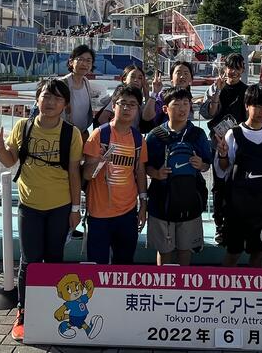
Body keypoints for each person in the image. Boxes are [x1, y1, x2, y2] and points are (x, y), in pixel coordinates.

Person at [0, 78, 83, 342]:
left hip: (60, 206)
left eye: (57, 98)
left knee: (54, 259)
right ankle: (24, 310)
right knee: (29, 261)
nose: (50, 102)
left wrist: (75, 208)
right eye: (46, 96)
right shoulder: (24, 127)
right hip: (29, 205)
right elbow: (10, 161)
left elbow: (74, 173)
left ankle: (53, 308)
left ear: (65, 105)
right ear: (37, 99)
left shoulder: (71, 133)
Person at [214, 84, 262, 268]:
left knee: (258, 254)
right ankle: (225, 285)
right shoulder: (233, 134)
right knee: (233, 253)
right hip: (236, 208)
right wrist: (222, 154)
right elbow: (223, 170)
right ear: (247, 106)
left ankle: (255, 287)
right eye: (257, 106)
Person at [145, 86, 212, 265]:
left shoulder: (197, 134)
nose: (182, 108)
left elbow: (207, 164)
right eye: (176, 104)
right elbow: (145, 166)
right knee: (164, 250)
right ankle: (163, 282)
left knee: (185, 249)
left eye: (186, 103)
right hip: (161, 201)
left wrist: (201, 164)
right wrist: (156, 174)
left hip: (189, 199)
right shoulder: (155, 136)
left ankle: (183, 281)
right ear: (165, 109)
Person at [82, 84, 148, 264]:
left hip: (127, 212)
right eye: (122, 103)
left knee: (124, 265)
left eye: (132, 104)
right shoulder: (99, 135)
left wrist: (143, 204)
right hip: (99, 213)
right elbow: (87, 175)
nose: (127, 108)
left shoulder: (138, 139)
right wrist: (100, 161)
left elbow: (140, 172)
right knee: (97, 266)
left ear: (137, 109)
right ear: (113, 105)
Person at [200, 52, 248, 245]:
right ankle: (219, 224)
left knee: (238, 182)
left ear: (243, 70)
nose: (233, 72)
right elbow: (209, 114)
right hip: (217, 141)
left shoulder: (247, 91)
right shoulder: (215, 88)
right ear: (224, 68)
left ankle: (235, 223)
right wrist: (217, 92)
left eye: (237, 68)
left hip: (239, 142)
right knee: (219, 185)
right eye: (230, 67)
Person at [94, 64, 156, 131]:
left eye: (140, 78)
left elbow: (147, 117)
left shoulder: (139, 100)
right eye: (132, 77)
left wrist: (147, 94)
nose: (136, 80)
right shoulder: (120, 97)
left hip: (132, 136)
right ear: (124, 79)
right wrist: (115, 134)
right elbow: (102, 119)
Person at [63, 45, 96, 140]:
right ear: (71, 62)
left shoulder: (86, 82)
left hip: (82, 134)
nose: (84, 64)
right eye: (80, 59)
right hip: (65, 134)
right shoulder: (62, 83)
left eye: (88, 61)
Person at [152, 61, 195, 126]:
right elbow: (148, 117)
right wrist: (154, 93)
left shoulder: (189, 98)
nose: (182, 76)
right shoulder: (163, 95)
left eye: (186, 73)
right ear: (171, 78)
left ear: (191, 79)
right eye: (178, 73)